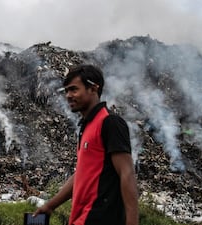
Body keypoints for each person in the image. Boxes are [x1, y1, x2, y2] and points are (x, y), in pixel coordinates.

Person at [33, 64, 139, 225]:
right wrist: (50, 205)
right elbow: (82, 174)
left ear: (93, 88)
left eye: (74, 89)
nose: (68, 95)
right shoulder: (87, 126)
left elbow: (127, 173)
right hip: (81, 218)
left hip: (100, 217)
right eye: (66, 91)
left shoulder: (110, 123)